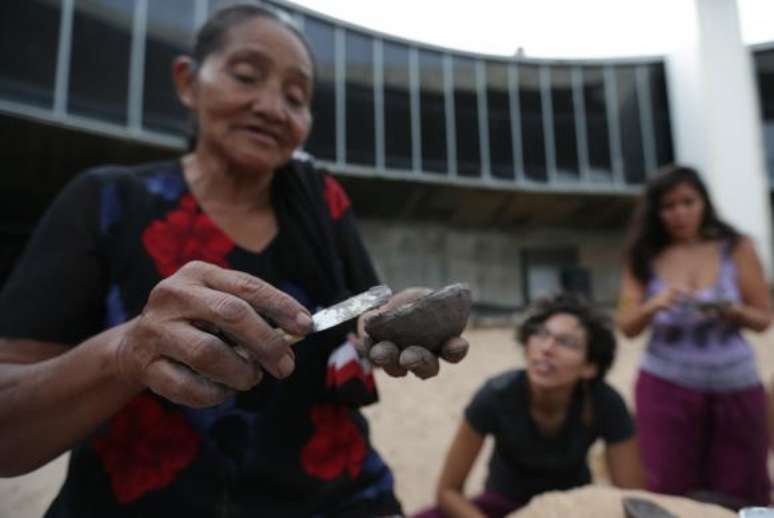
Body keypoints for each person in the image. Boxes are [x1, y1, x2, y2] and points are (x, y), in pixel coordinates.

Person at [0, 5, 469, 517]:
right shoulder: (105, 202)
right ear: (187, 82)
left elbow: (363, 315)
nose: (272, 107)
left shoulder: (321, 202)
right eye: (246, 76)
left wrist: (394, 321)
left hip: (342, 499)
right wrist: (127, 351)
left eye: (296, 97)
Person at [617, 165, 772, 508]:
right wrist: (653, 305)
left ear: (704, 203)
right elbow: (627, 325)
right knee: (669, 486)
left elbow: (763, 319)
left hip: (736, 386)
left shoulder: (736, 247)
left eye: (688, 202)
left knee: (745, 487)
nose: (679, 213)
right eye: (668, 206)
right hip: (666, 386)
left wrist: (733, 310)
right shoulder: (643, 254)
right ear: (656, 212)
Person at [414, 295, 643, 518]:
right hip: (502, 505)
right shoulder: (496, 396)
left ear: (590, 366)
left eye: (566, 342)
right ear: (526, 344)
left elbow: (632, 496)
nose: (547, 348)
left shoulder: (605, 402)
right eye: (541, 335)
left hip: (572, 507)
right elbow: (448, 492)